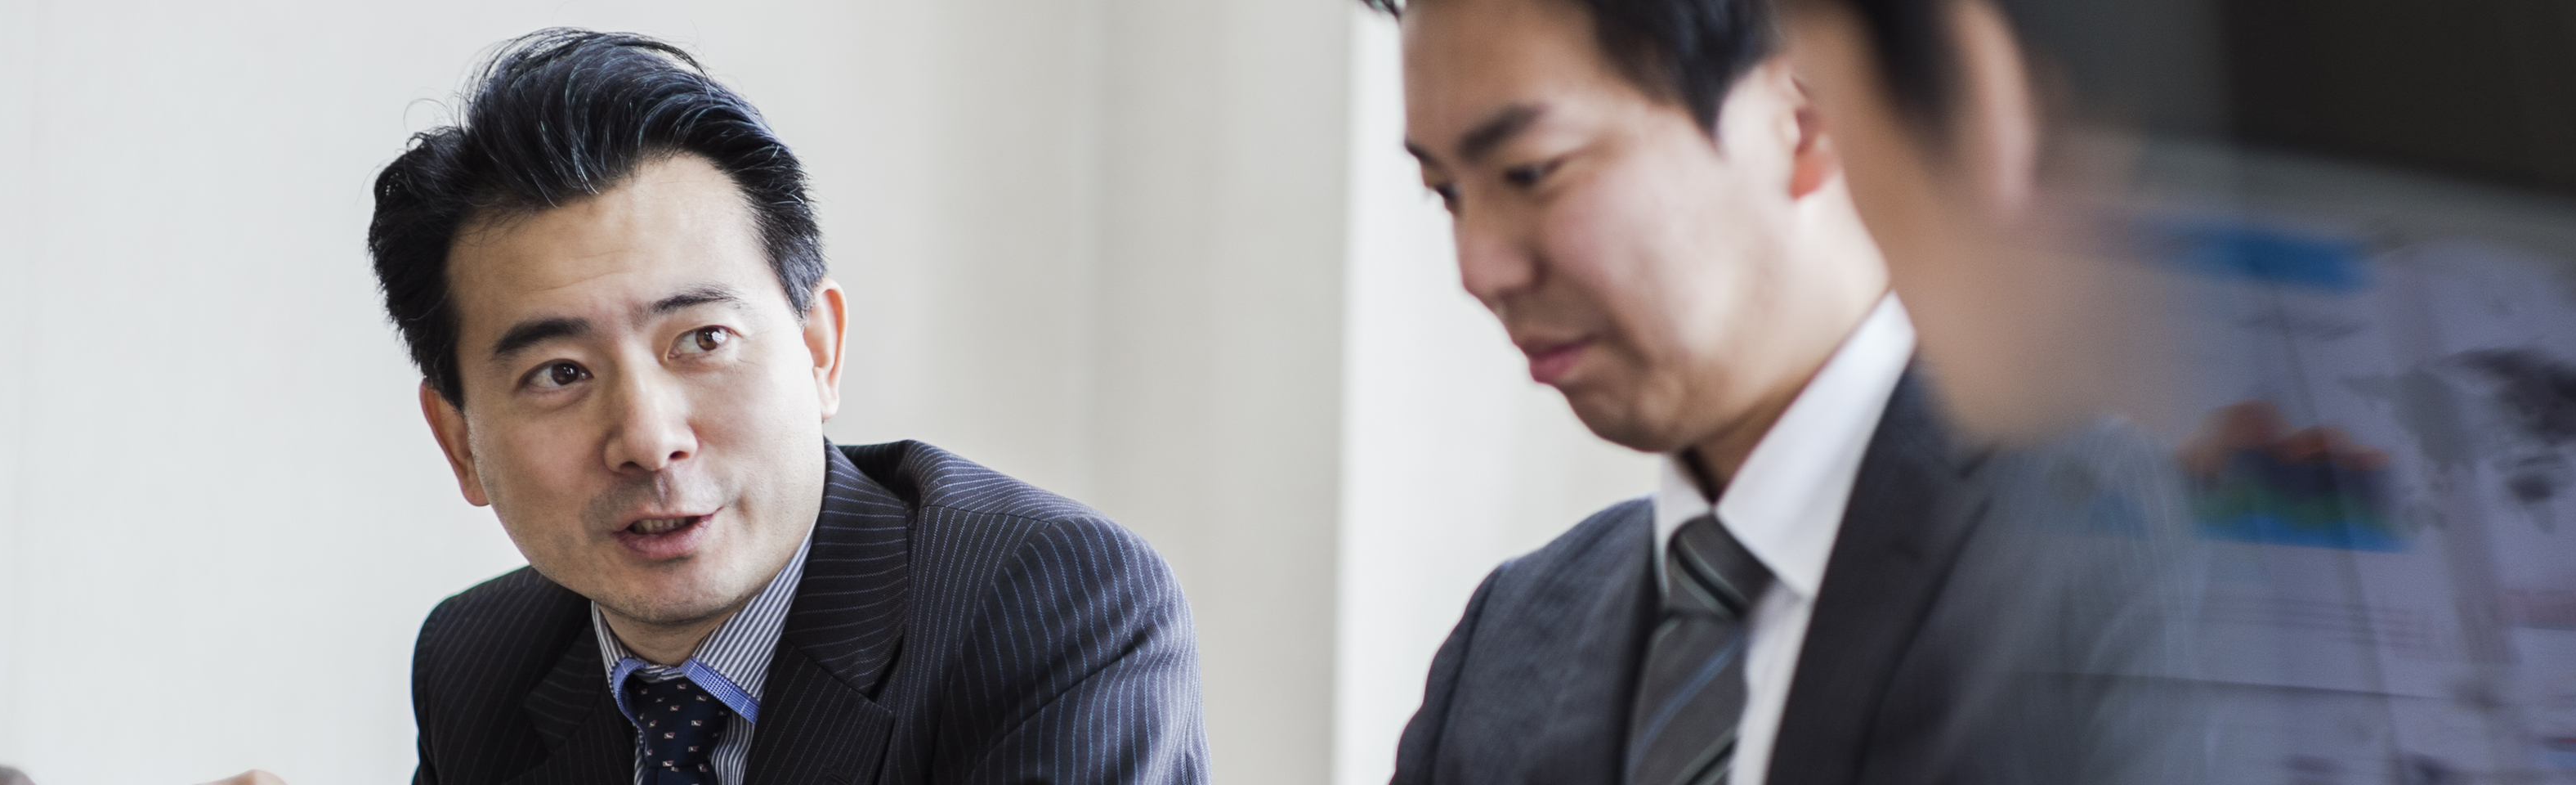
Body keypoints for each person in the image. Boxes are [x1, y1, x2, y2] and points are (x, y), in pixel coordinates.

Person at [210, 29, 1205, 785]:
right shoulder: (479, 662)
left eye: (701, 341)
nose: (647, 439)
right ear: (458, 441)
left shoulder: (1047, 601)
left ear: (819, 352)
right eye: (558, 372)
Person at [1359, 1, 2198, 783]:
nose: (1477, 267)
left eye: (1529, 171)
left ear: (1802, 117)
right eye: (1447, 194)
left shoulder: (2126, 560)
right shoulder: (1505, 647)